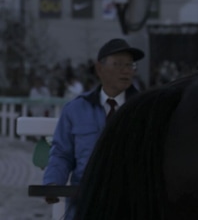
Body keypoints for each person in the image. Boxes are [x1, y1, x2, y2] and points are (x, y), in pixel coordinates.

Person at [42, 38, 145, 219]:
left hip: (131, 205)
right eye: (118, 64)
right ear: (99, 69)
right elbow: (62, 153)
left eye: (130, 65)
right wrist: (52, 182)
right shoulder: (75, 109)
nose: (126, 70)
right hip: (84, 203)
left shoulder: (144, 109)